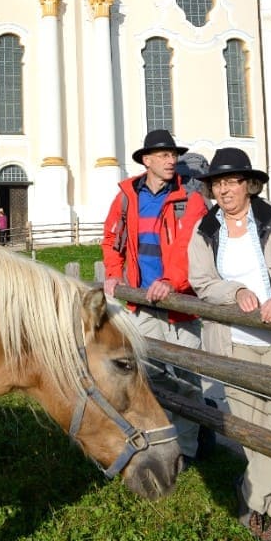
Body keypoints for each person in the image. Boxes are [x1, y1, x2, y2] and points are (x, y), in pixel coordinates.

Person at [188, 147, 271, 541]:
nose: (225, 190)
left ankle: (250, 496)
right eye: (218, 183)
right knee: (254, 433)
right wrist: (237, 290)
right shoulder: (205, 229)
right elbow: (202, 281)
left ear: (249, 184)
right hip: (236, 348)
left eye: (232, 181)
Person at [102, 129, 209, 462]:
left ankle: (188, 451)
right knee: (151, 376)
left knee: (188, 379)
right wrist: (113, 274)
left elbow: (188, 248)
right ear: (146, 160)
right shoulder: (126, 197)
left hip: (180, 305)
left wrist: (170, 281)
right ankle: (162, 443)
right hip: (142, 305)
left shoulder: (190, 199)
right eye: (163, 155)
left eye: (173, 155)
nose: (171, 160)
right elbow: (110, 240)